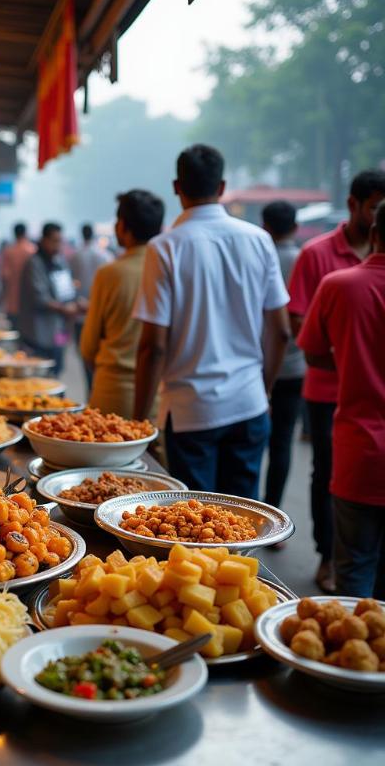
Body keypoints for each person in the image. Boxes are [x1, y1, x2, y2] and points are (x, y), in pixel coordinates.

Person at [133, 144, 290, 499]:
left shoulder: (165, 247)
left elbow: (153, 346)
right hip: (248, 403)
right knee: (243, 521)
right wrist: (261, 388)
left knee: (196, 527)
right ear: (222, 187)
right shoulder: (259, 240)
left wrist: (140, 422)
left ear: (177, 187)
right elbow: (280, 332)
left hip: (191, 412)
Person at [289, 169, 385, 591]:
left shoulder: (342, 286)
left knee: (355, 569)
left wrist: (352, 357)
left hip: (360, 440)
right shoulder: (317, 255)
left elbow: (311, 349)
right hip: (330, 407)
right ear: (354, 205)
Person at [80, 191, 164, 418]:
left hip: (114, 395)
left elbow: (88, 347)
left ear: (123, 226)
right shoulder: (170, 270)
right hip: (161, 397)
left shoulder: (110, 274)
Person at [261, 201, 305, 512]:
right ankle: (272, 509)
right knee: (282, 444)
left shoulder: (260, 255)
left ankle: (242, 513)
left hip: (257, 369)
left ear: (266, 227)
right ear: (295, 227)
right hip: (293, 368)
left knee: (251, 446)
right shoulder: (305, 257)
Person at [17, 222, 78, 376]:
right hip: (37, 331)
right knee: (40, 374)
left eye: (59, 241)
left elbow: (67, 291)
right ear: (44, 240)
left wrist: (75, 303)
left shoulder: (60, 261)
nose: (57, 246)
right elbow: (39, 298)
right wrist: (64, 308)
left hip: (58, 329)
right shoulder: (34, 263)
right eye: (54, 241)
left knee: (57, 368)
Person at [70, 223, 112, 390]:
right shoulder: (105, 256)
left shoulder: (75, 256)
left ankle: (91, 392)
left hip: (81, 313)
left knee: (86, 358)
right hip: (100, 316)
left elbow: (72, 283)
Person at [1, 223, 36, 328]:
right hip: (30, 300)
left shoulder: (9, 251)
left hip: (13, 299)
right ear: (25, 233)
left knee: (14, 330)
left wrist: (2, 298)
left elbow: (5, 277)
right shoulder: (33, 250)